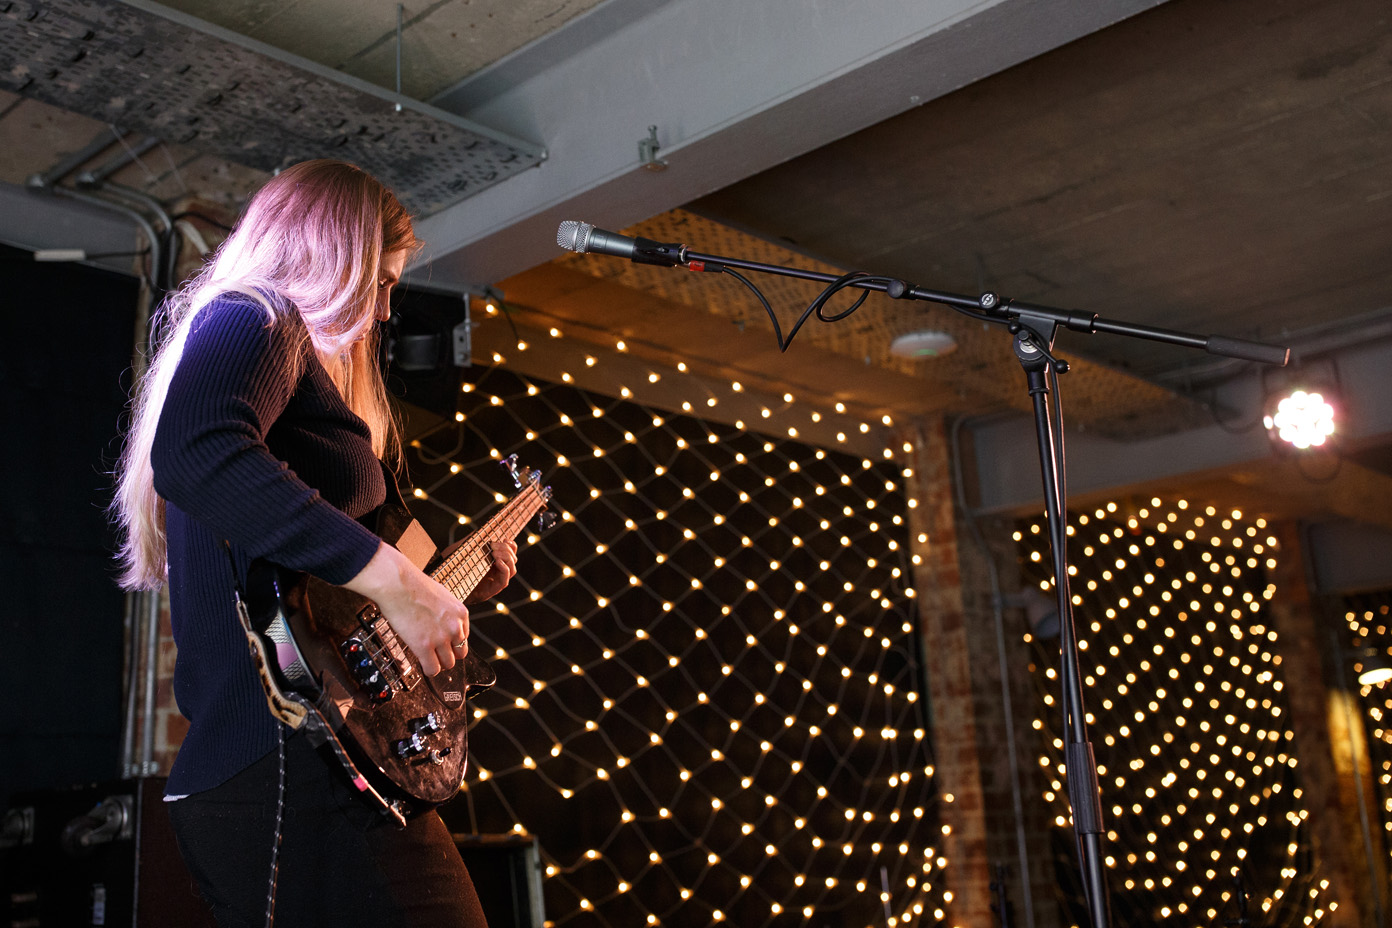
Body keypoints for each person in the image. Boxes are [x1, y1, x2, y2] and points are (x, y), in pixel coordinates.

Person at [111, 159, 516, 927]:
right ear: (335, 256)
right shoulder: (255, 315)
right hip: (283, 762)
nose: (389, 308)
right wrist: (401, 584)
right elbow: (198, 450)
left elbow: (353, 587)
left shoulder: (337, 390)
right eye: (383, 279)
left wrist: (449, 581)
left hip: (329, 758)